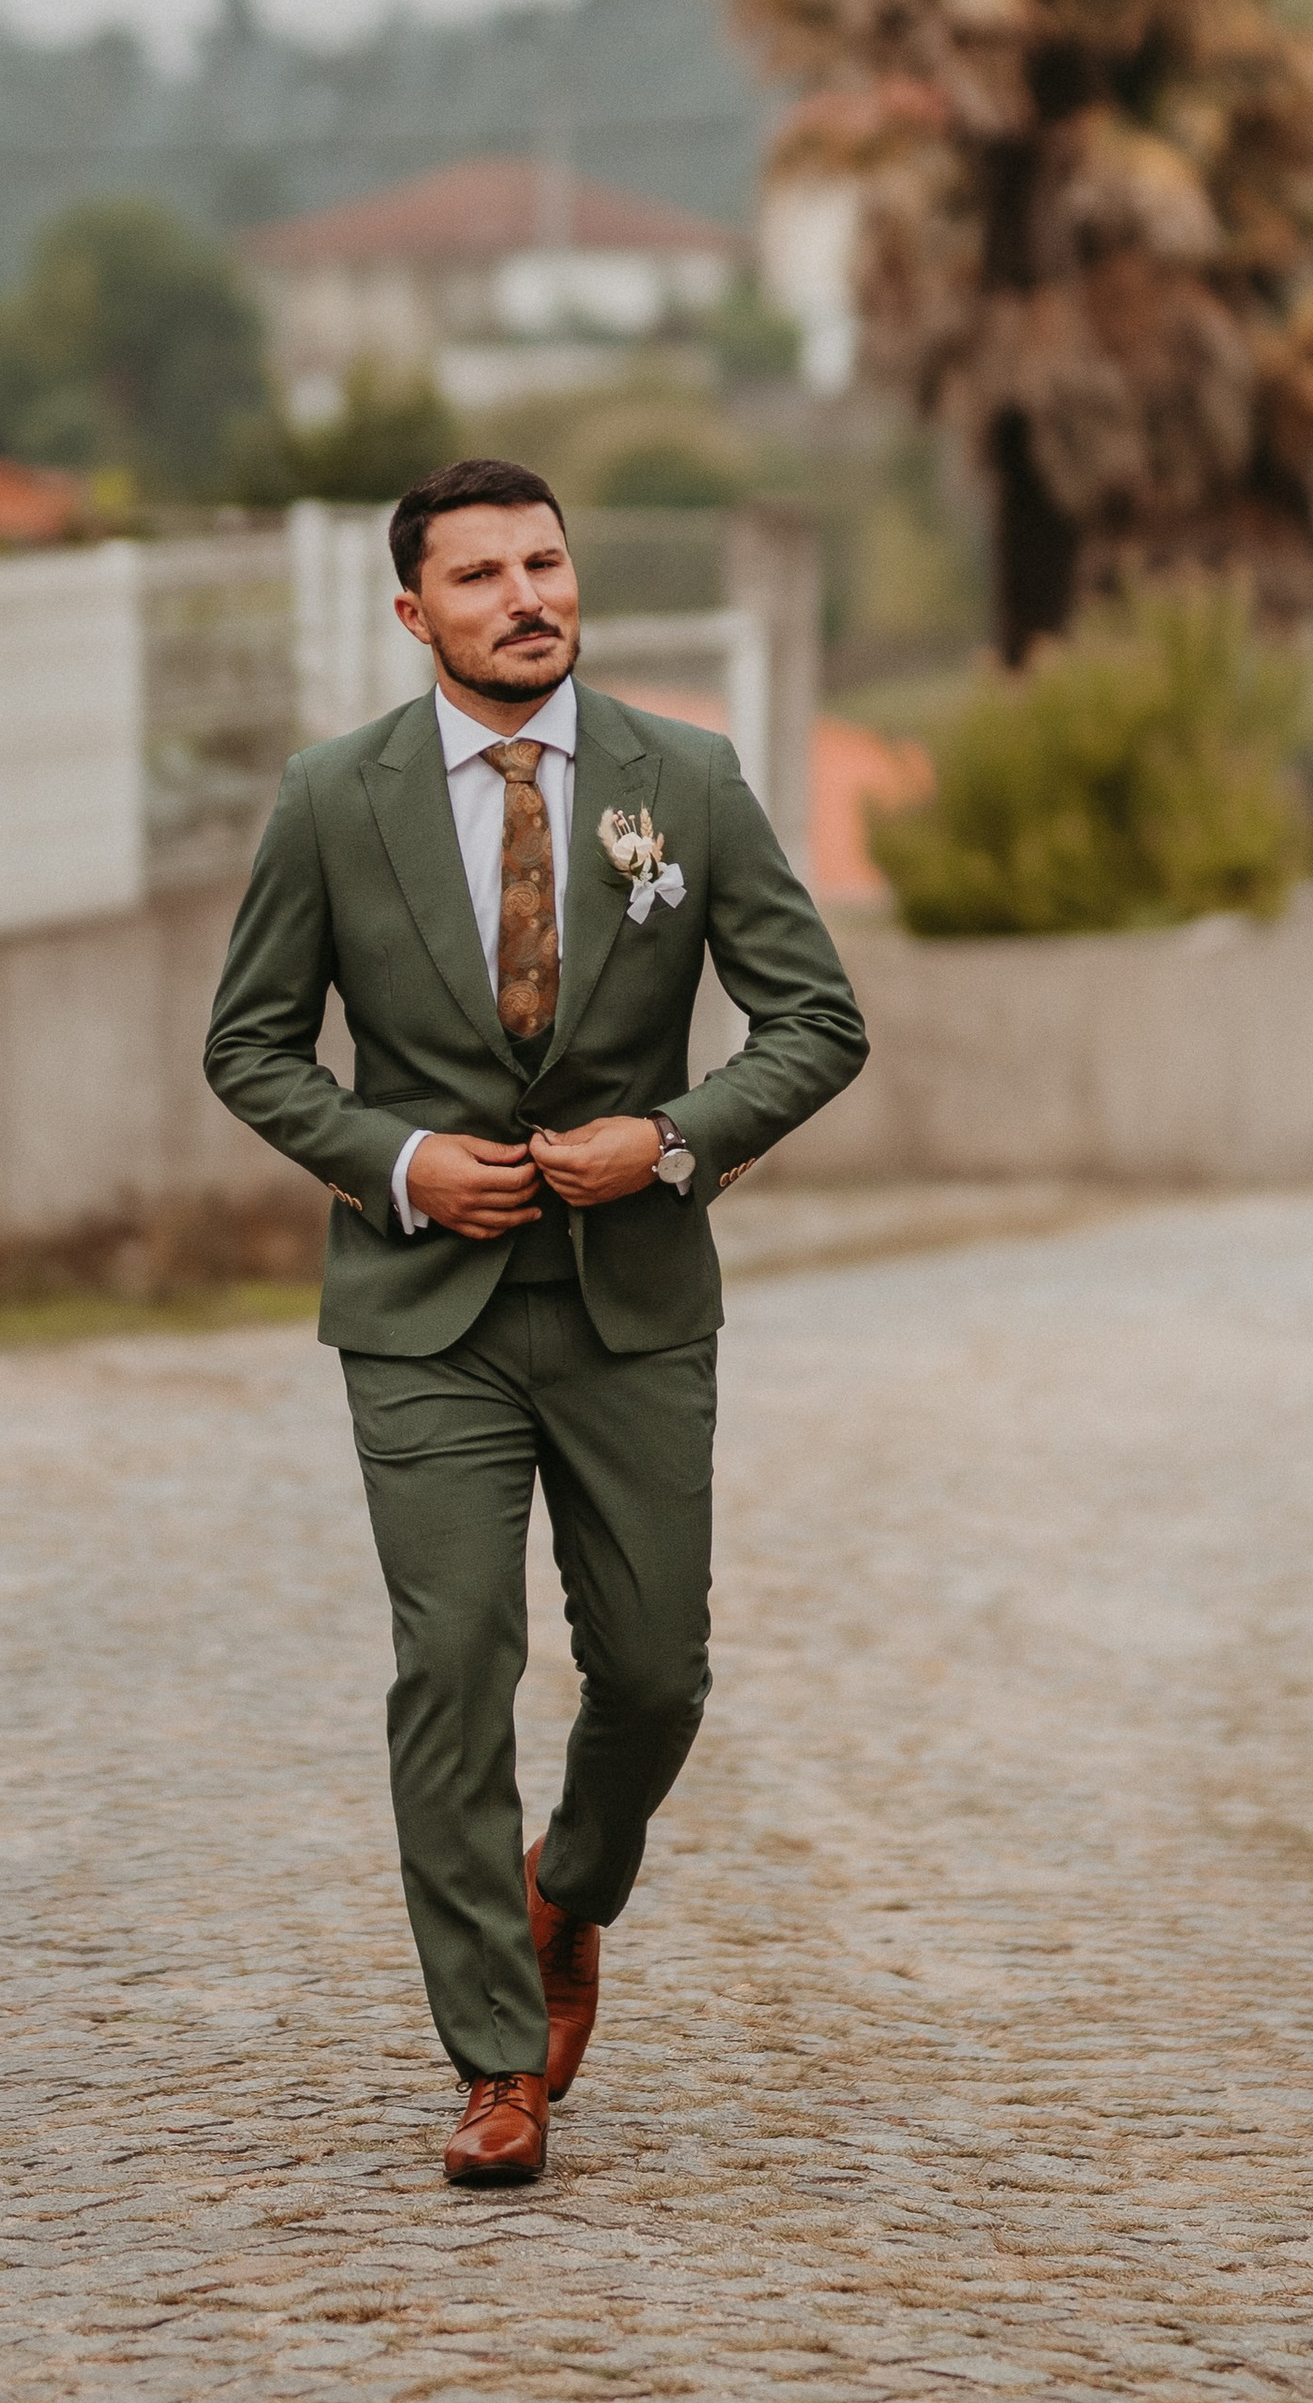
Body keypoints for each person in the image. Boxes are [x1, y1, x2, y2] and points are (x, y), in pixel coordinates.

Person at [203, 455, 870, 2185]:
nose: (528, 598)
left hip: (635, 1300)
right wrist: (402, 1161)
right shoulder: (333, 801)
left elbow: (816, 1021)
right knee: (456, 1664)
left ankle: (569, 1888)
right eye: (485, 574)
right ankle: (495, 2066)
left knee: (654, 1672)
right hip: (424, 1315)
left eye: (548, 565)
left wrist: (676, 1139)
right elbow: (252, 1047)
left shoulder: (689, 783)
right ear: (413, 610)